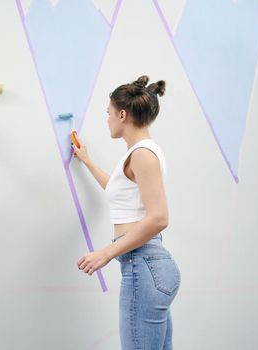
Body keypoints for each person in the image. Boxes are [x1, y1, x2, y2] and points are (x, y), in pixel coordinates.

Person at [74, 75, 180, 349]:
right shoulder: (142, 153)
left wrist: (106, 254)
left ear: (122, 114)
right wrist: (87, 161)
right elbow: (118, 191)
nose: (107, 119)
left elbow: (159, 218)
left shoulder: (143, 154)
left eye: (108, 113)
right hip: (149, 267)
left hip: (142, 266)